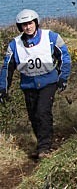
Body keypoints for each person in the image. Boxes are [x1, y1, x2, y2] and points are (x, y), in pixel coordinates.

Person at [0, 9, 71, 159]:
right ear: (20, 27)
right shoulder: (14, 45)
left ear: (36, 23)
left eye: (30, 23)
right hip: (29, 85)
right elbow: (7, 67)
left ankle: (45, 148)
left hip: (48, 82)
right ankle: (42, 144)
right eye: (24, 25)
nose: (28, 27)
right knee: (33, 116)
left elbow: (65, 57)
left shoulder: (51, 37)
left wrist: (62, 78)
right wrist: (3, 88)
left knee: (42, 112)